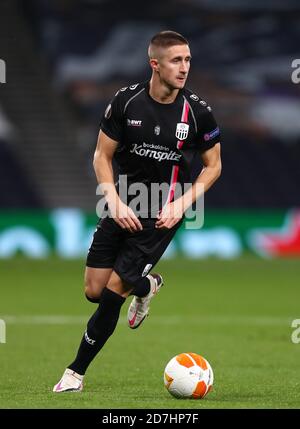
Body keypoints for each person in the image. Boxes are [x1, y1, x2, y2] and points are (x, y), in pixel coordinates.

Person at [53, 30, 222, 392]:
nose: (184, 67)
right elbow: (102, 155)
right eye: (177, 60)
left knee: (113, 294)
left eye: (188, 60)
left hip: (163, 212)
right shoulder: (126, 101)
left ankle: (74, 373)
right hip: (123, 202)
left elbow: (214, 165)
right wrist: (112, 199)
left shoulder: (197, 111)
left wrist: (182, 204)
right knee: (93, 290)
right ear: (155, 64)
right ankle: (146, 286)